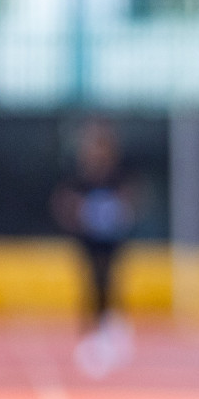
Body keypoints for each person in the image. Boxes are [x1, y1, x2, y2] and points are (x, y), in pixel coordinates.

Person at [51, 117, 138, 379]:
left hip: (111, 239)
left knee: (110, 280)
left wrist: (121, 211)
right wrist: (76, 211)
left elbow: (132, 200)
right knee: (90, 282)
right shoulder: (79, 177)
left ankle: (110, 328)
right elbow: (62, 203)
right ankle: (90, 335)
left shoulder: (118, 175)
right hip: (87, 239)